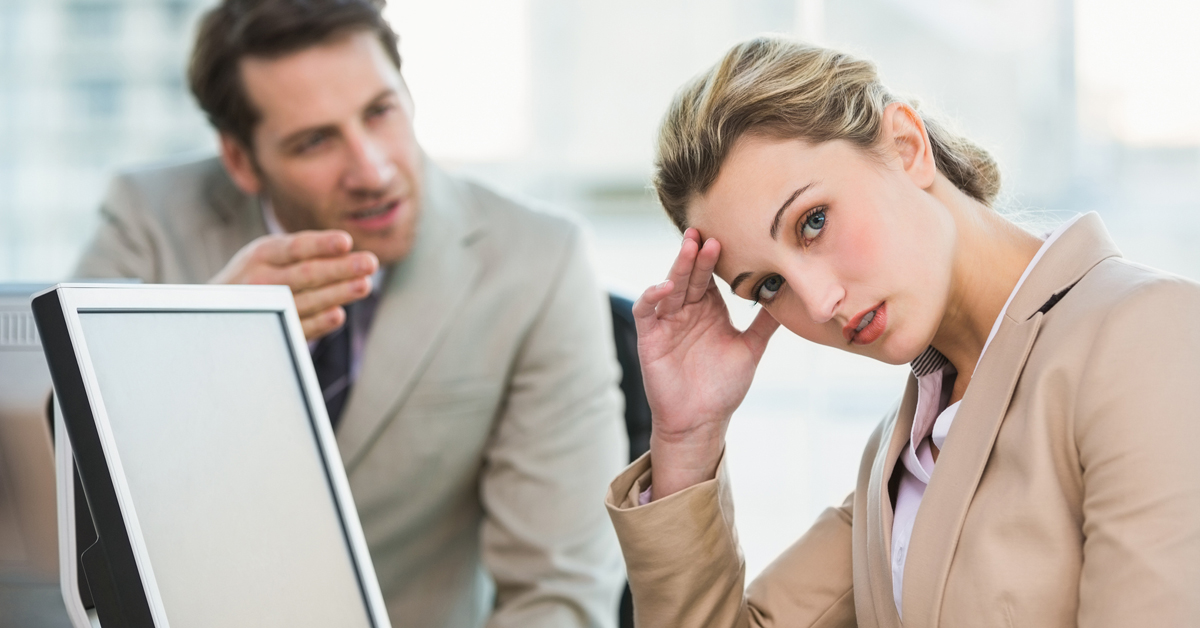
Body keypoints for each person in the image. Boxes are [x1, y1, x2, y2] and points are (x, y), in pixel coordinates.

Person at [606, 37, 1200, 627]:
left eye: (813, 222)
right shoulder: (890, 465)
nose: (819, 301)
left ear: (906, 146)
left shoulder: (1145, 337)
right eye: (768, 285)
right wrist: (688, 440)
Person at [73, 1, 628, 626]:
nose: (373, 170)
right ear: (241, 160)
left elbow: (559, 592)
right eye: (314, 141)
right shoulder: (146, 218)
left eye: (380, 111)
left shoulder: (538, 261)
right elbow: (59, 485)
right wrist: (202, 347)